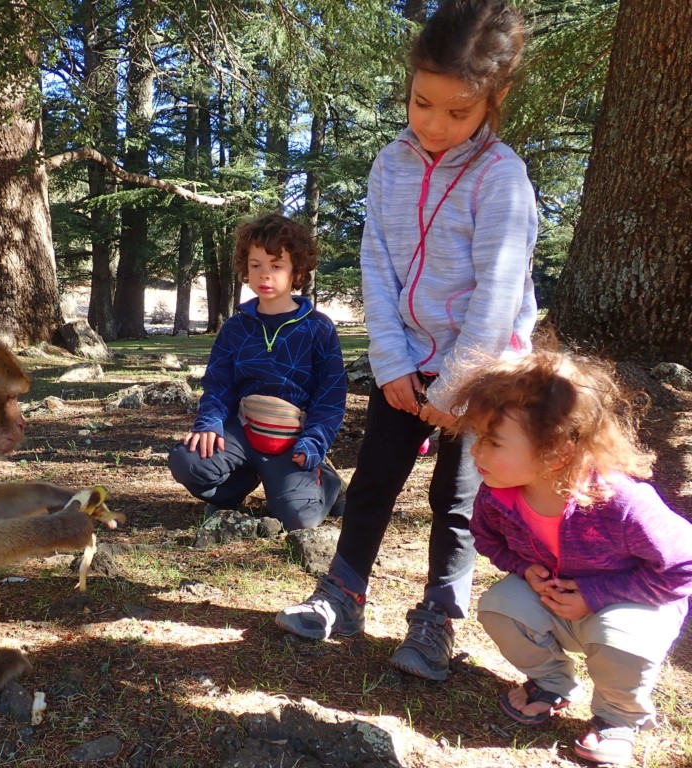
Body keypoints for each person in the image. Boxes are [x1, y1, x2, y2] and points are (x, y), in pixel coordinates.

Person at [276, 0, 538, 683]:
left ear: (495, 97)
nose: (436, 125)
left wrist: (458, 388)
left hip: (484, 374)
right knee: (372, 484)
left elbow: (497, 294)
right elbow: (378, 267)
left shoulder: (501, 177)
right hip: (406, 363)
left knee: (456, 502)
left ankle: (438, 618)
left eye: (459, 112)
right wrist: (392, 363)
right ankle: (344, 591)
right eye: (423, 103)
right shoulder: (390, 164)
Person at [448, 345, 692, 766]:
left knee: (621, 643)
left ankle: (617, 717)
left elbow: (683, 566)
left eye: (492, 442)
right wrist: (526, 570)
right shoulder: (497, 496)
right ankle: (552, 682)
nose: (476, 453)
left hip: (629, 606)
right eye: (477, 438)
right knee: (500, 607)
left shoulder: (621, 503)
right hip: (555, 601)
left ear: (557, 450)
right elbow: (488, 540)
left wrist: (597, 595)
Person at [168, 212, 346, 532]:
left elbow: (330, 398)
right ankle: (244, 480)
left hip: (293, 443)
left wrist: (314, 443)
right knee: (186, 462)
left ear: (297, 271)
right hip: (243, 433)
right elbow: (219, 386)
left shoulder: (318, 328)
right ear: (245, 269)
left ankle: (326, 483)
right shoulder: (235, 328)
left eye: (276, 266)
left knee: (297, 520)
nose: (265, 275)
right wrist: (209, 423)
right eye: (255, 265)